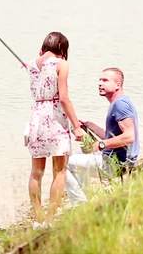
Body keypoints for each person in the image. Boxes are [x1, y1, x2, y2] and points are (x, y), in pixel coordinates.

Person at [24, 32, 84, 226]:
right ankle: (49, 218)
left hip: (36, 118)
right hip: (54, 117)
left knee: (36, 172)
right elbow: (64, 98)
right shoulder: (61, 64)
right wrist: (76, 126)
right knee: (60, 170)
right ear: (62, 49)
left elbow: (36, 66)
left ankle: (38, 217)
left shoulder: (31, 64)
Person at [65, 67, 140, 206]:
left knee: (64, 164)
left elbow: (130, 136)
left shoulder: (120, 105)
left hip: (116, 164)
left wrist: (101, 145)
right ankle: (86, 199)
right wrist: (90, 126)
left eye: (105, 80)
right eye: (99, 80)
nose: (100, 83)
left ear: (118, 85)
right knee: (77, 157)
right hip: (117, 161)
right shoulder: (120, 102)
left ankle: (80, 205)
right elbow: (113, 136)